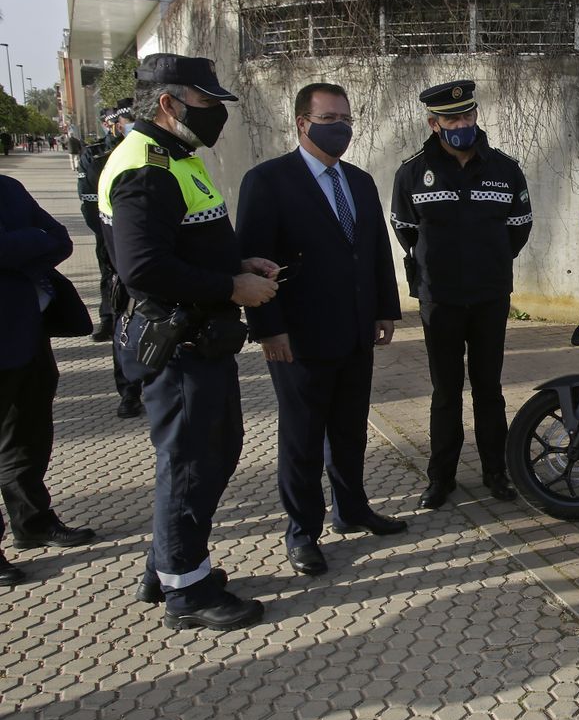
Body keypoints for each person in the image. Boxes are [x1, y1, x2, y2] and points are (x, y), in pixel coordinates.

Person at [100, 53, 280, 630]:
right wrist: (232, 284)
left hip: (201, 340)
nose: (216, 116)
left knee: (211, 452)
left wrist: (238, 261)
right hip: (179, 345)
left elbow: (187, 241)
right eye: (206, 104)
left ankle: (169, 563)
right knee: (191, 463)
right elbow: (144, 268)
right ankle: (188, 591)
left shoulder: (179, 157)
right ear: (168, 104)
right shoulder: (145, 168)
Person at [237, 82, 406, 578]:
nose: (342, 128)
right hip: (299, 338)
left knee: (350, 429)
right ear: (302, 124)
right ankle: (302, 532)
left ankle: (352, 509)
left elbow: (374, 251)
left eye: (346, 118)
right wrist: (268, 329)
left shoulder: (358, 181)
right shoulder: (267, 181)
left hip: (355, 332)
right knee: (303, 438)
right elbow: (253, 264)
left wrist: (383, 310)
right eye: (330, 118)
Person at [389, 80, 531, 508]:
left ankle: (496, 473)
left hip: (489, 298)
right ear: (434, 124)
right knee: (445, 392)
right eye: (451, 118)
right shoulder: (412, 172)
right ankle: (441, 478)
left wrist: (487, 264)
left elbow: (519, 226)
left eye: (467, 115)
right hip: (441, 300)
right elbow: (405, 229)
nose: (461, 124)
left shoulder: (506, 169)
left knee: (489, 389)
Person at [0, 172, 96, 586]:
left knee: (29, 434)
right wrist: (29, 242)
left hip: (28, 332)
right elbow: (41, 240)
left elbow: (60, 236)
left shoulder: (8, 188)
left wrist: (19, 247)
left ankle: (33, 522)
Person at [79, 99, 144, 417]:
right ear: (114, 123)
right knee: (124, 316)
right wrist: (108, 240)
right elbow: (91, 206)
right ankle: (129, 392)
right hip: (113, 242)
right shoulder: (99, 155)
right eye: (126, 119)